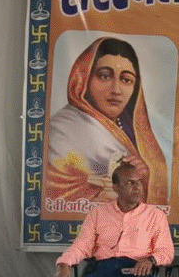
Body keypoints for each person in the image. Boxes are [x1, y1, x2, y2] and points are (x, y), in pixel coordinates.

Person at [46, 37, 168, 208]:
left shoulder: (132, 132)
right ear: (83, 79)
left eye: (126, 80)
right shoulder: (61, 130)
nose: (116, 90)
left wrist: (143, 178)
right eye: (104, 76)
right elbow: (52, 194)